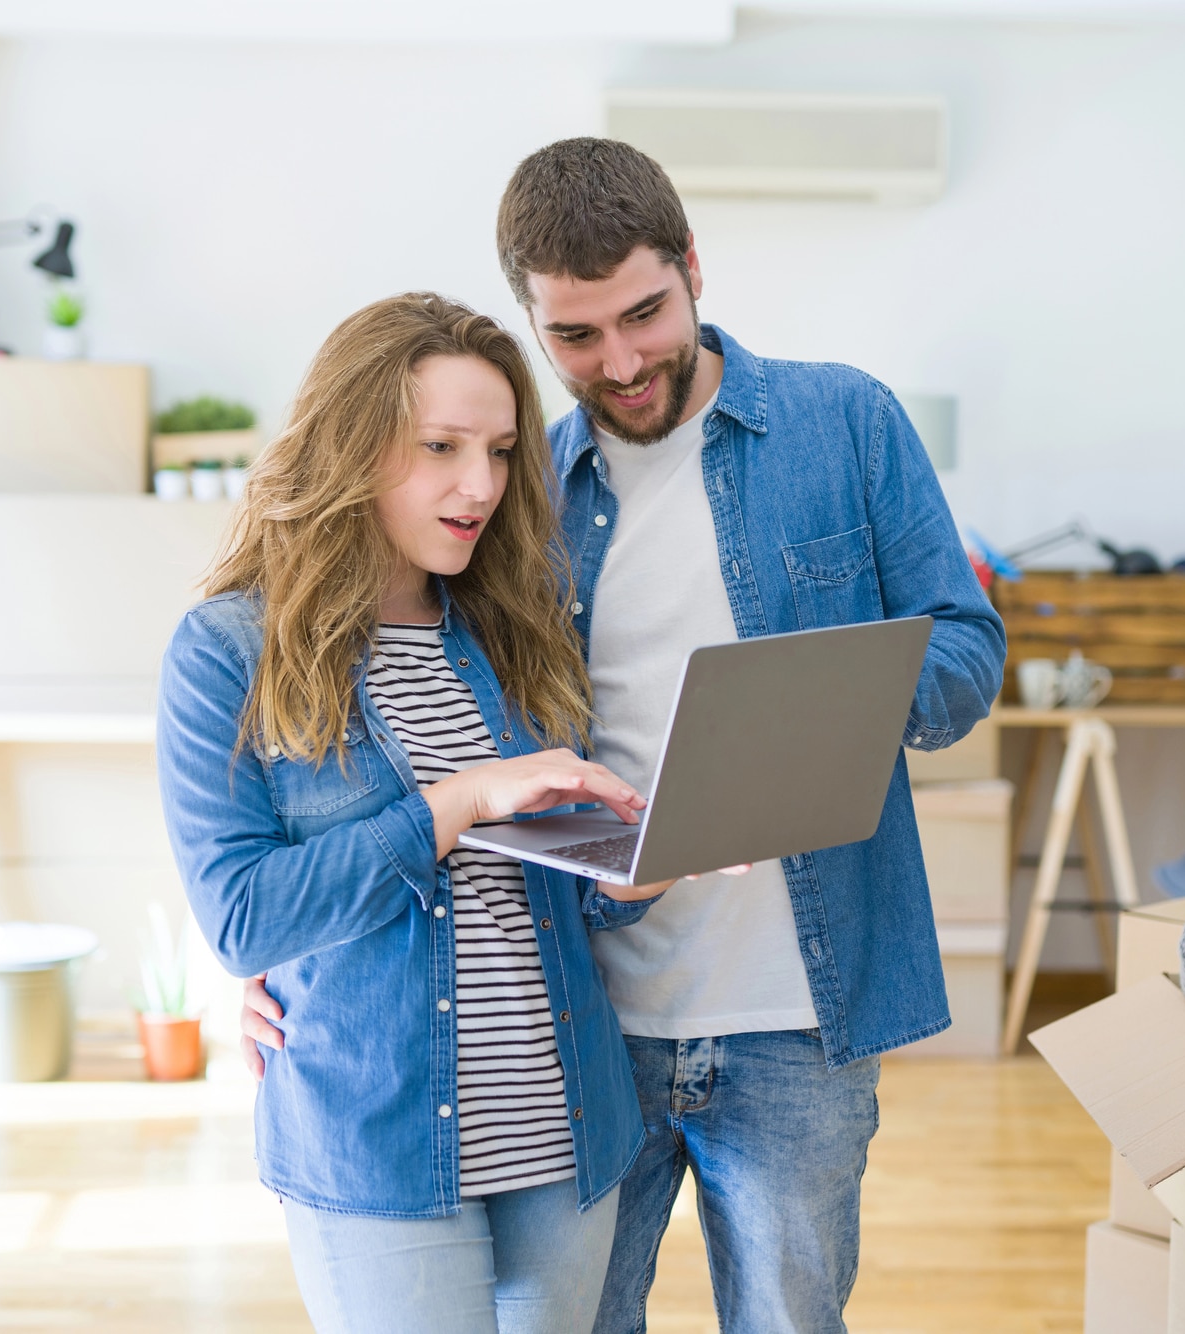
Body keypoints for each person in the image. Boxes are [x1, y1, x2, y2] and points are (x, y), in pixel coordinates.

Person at [246, 141, 1007, 1333]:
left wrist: (839, 705)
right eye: (576, 336)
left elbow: (966, 646)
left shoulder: (844, 422)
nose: (621, 359)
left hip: (797, 1013)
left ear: (693, 268)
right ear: (533, 327)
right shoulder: (519, 490)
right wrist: (270, 953)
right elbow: (381, 730)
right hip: (585, 1018)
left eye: (643, 313)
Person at [157, 292, 677, 1334]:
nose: (477, 485)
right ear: (351, 445)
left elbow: (554, 898)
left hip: (563, 1127)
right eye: (438, 446)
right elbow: (244, 916)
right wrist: (454, 801)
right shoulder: (227, 651)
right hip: (380, 1145)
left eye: (496, 449)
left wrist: (633, 873)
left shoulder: (516, 634)